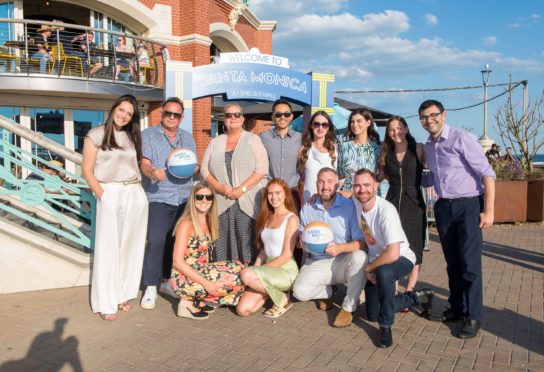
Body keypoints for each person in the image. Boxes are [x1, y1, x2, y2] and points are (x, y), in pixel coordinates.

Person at [419, 99, 495, 339]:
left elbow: (487, 174)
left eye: (433, 115)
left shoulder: (462, 138)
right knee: (453, 264)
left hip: (468, 205)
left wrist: (489, 210)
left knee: (470, 264)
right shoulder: (429, 146)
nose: (429, 120)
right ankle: (458, 308)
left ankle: (473, 316)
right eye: (424, 117)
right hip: (443, 207)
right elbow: (433, 178)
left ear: (443, 114)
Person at [82, 94, 148, 321]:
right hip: (110, 192)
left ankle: (123, 294)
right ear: (114, 109)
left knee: (131, 247)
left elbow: (137, 165)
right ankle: (105, 301)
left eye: (129, 114)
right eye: (122, 110)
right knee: (108, 248)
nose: (124, 115)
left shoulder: (131, 137)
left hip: (134, 192)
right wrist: (103, 196)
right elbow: (87, 171)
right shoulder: (96, 134)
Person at [353, 168, 433, 347]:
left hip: (401, 258)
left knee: (385, 272)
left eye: (366, 185)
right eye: (357, 186)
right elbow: (339, 195)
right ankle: (414, 298)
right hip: (378, 261)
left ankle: (385, 326)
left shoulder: (385, 211)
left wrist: (369, 268)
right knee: (372, 313)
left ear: (375, 185)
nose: (362, 190)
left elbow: (393, 253)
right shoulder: (357, 202)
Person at [139, 97, 197, 310]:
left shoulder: (187, 138)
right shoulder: (148, 136)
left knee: (176, 244)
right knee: (156, 242)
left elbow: (193, 164)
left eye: (176, 114)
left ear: (181, 117)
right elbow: (144, 163)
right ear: (162, 114)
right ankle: (150, 286)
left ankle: (167, 282)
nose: (171, 117)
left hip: (184, 198)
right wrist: (151, 173)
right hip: (159, 197)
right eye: (168, 113)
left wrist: (194, 168)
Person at [292, 167, 367, 328]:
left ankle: (348, 308)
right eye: (321, 182)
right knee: (299, 292)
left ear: (337, 185)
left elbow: (362, 243)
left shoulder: (349, 206)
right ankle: (330, 291)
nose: (325, 186)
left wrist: (340, 248)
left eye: (330, 182)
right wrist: (302, 244)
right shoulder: (308, 207)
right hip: (317, 262)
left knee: (360, 257)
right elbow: (299, 239)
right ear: (316, 184)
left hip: (342, 261)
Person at [200, 103, 268, 264]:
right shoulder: (215, 142)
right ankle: (225, 282)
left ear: (242, 118)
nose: (233, 118)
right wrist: (219, 188)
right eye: (229, 115)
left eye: (237, 114)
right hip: (221, 201)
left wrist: (241, 189)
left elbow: (262, 169)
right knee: (221, 243)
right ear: (224, 119)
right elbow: (204, 170)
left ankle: (248, 281)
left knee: (246, 241)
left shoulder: (253, 139)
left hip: (246, 201)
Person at [170, 183, 245, 319]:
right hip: (184, 277)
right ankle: (187, 300)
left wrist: (212, 275)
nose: (204, 200)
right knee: (234, 280)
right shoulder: (186, 223)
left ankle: (198, 299)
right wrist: (207, 283)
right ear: (193, 199)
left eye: (208, 197)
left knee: (240, 269)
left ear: (212, 200)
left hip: (201, 270)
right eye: (200, 196)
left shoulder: (209, 220)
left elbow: (205, 256)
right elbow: (177, 262)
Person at [236, 178, 299, 318]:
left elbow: (287, 255)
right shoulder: (268, 217)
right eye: (270, 193)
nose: (274, 197)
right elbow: (264, 250)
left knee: (246, 274)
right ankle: (274, 292)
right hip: (268, 270)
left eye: (277, 193)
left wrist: (257, 272)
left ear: (285, 195)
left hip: (285, 269)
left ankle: (283, 300)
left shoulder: (291, 219)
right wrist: (256, 268)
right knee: (243, 310)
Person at [378, 116, 426, 293]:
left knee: (414, 246)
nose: (396, 132)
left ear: (406, 129)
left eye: (399, 128)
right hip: (392, 202)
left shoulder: (418, 148)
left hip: (414, 203)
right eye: (391, 129)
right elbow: (379, 177)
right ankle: (394, 288)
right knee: (392, 244)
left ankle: (410, 290)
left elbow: (436, 168)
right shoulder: (386, 153)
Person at [260, 99, 302, 208]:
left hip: (292, 193)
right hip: (271, 195)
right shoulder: (263, 138)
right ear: (272, 117)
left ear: (291, 116)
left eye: (286, 114)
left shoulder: (300, 138)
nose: (283, 117)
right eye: (278, 114)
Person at [338, 109, 381, 197]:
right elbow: (340, 175)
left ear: (368, 123)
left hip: (371, 196)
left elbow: (381, 175)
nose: (355, 125)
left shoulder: (377, 148)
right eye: (352, 122)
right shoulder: (344, 147)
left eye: (359, 121)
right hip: (348, 197)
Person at [297, 111, 338, 203]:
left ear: (328, 128)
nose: (320, 127)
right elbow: (301, 180)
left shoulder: (335, 150)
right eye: (316, 124)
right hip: (309, 201)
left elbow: (340, 178)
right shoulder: (304, 150)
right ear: (311, 126)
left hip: (331, 201)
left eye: (324, 125)